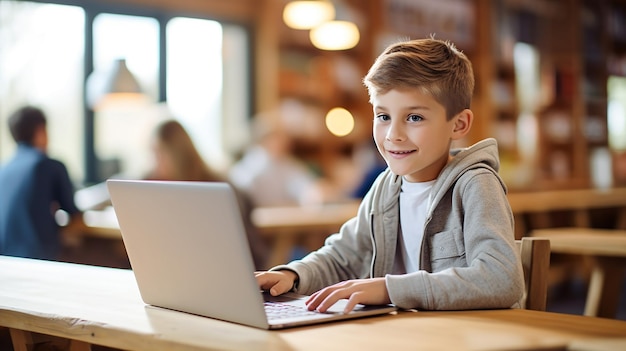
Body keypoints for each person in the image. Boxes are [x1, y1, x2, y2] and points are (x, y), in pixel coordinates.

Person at [256, 37, 525, 313]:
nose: (394, 135)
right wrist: (293, 276)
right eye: (383, 116)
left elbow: (502, 279)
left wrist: (388, 288)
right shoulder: (386, 186)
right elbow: (344, 257)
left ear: (458, 125)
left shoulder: (475, 185)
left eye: (414, 118)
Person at [145, 119, 269, 269]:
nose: (155, 163)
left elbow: (235, 243)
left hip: (222, 264)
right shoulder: (150, 181)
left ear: (177, 154)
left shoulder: (216, 185)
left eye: (159, 154)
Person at [0, 106, 83, 260]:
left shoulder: (3, 169)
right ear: (41, 131)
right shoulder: (48, 166)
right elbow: (73, 213)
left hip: (5, 260)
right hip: (40, 260)